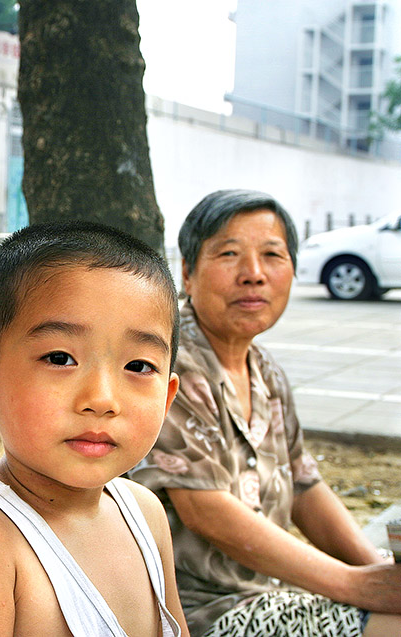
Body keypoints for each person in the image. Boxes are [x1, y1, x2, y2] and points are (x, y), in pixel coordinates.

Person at [129, 189, 401, 637]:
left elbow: (304, 486)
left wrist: (378, 572)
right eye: (229, 254)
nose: (253, 274)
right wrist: (356, 585)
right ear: (188, 273)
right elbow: (204, 507)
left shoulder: (265, 371)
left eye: (272, 255)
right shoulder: (170, 364)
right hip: (194, 613)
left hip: (267, 597)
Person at [0, 222, 189, 636]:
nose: (101, 399)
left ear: (168, 397)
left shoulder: (146, 515)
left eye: (138, 366)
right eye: (60, 358)